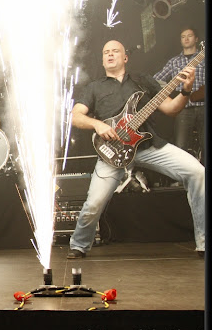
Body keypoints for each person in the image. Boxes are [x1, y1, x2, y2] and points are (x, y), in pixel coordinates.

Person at [67, 40, 204, 259]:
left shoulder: (143, 81)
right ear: (102, 60)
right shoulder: (94, 87)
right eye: (106, 52)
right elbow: (75, 116)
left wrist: (186, 90)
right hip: (113, 152)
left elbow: (171, 109)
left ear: (125, 57)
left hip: (148, 146)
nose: (110, 54)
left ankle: (203, 242)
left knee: (198, 172)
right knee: (93, 203)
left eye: (115, 51)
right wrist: (98, 124)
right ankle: (79, 245)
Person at [154, 26, 206, 165]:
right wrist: (169, 93)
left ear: (196, 39)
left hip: (203, 106)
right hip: (183, 108)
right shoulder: (174, 61)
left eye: (189, 36)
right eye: (183, 36)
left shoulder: (203, 58)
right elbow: (155, 80)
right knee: (180, 146)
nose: (186, 39)